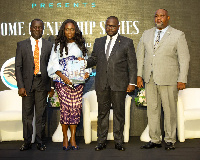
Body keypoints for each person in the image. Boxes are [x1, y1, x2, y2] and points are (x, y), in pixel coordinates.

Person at [137, 9, 190, 150]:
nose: (158, 18)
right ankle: (155, 140)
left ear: (167, 18)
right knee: (152, 111)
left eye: (161, 16)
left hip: (169, 78)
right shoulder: (146, 34)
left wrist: (182, 78)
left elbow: (184, 59)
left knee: (169, 110)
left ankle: (170, 140)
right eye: (156, 16)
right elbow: (140, 56)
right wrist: (139, 75)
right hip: (149, 78)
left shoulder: (178, 35)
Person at [85, 16, 137, 151]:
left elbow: (132, 64)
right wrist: (84, 62)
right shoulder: (98, 41)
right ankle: (101, 141)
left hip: (119, 84)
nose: (110, 28)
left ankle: (118, 141)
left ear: (118, 27)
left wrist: (132, 82)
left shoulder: (126, 42)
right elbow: (94, 59)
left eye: (113, 26)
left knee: (119, 113)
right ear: (105, 26)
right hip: (102, 83)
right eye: (108, 26)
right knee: (102, 113)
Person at [47, 19, 90, 151]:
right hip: (62, 82)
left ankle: (73, 138)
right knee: (65, 110)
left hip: (77, 83)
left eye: (72, 29)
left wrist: (86, 73)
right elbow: (53, 64)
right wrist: (64, 78)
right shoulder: (58, 45)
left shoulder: (80, 45)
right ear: (63, 31)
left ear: (75, 30)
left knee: (75, 110)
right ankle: (65, 137)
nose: (69, 32)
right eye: (67, 29)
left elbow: (86, 62)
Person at [15, 19, 53, 151]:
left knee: (41, 114)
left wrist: (51, 86)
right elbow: (18, 67)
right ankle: (27, 142)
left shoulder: (48, 46)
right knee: (27, 115)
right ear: (30, 28)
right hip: (27, 84)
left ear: (43, 29)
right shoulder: (22, 45)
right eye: (35, 27)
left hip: (42, 83)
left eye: (40, 28)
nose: (37, 30)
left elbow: (51, 67)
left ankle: (40, 141)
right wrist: (20, 86)